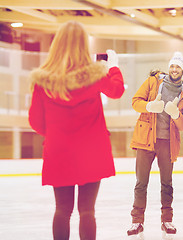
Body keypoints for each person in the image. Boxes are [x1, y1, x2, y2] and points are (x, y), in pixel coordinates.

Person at [28, 21, 125, 240]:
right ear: (83, 45)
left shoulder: (43, 81)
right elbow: (117, 90)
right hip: (91, 152)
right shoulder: (95, 75)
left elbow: (35, 122)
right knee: (87, 211)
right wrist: (113, 67)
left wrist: (56, 134)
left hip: (58, 153)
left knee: (62, 210)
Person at [127, 52, 183, 238]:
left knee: (167, 183)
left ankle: (167, 220)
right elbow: (135, 101)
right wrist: (148, 106)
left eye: (178, 67)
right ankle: (137, 222)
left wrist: (176, 115)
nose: (174, 69)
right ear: (169, 67)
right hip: (146, 139)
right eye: (172, 66)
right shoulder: (153, 82)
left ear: (182, 70)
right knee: (141, 183)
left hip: (167, 142)